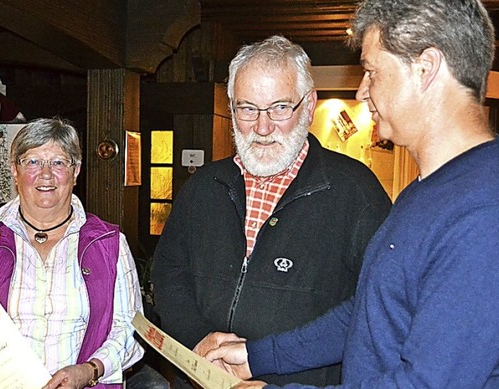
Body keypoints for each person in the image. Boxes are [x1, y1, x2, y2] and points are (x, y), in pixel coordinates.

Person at [200, 1, 499, 388]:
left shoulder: (494, 218)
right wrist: (258, 357)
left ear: (425, 69)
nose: (362, 90)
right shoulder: (433, 187)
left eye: (371, 71)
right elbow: (374, 310)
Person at [150, 35, 392, 388]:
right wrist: (199, 340)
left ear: (308, 106)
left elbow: (377, 308)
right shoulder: (203, 187)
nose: (262, 128)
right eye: (247, 109)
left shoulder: (356, 193)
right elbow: (169, 271)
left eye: (280, 108)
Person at [0, 118, 144, 389]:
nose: (46, 174)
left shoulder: (109, 244)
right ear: (14, 171)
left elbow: (131, 331)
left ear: (76, 172)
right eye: (32, 162)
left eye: (59, 162)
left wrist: (90, 370)